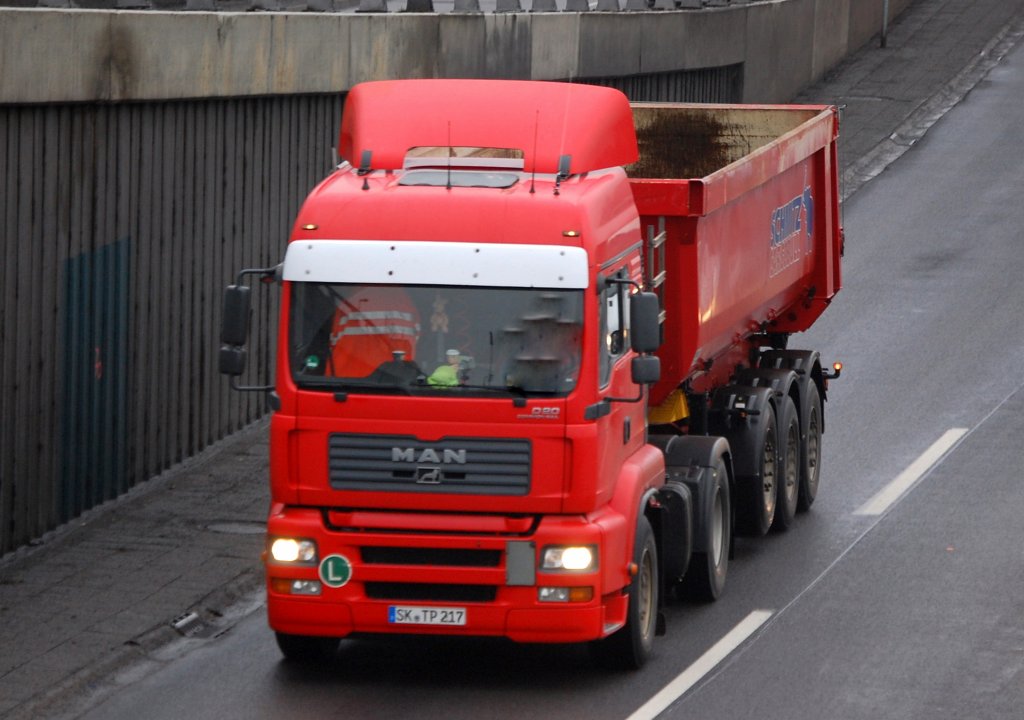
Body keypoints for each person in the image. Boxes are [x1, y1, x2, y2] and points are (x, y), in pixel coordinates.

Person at [327, 286, 420, 377]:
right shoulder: (406, 304)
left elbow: (333, 345)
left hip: (345, 384)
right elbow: (415, 341)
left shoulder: (349, 303)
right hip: (393, 385)